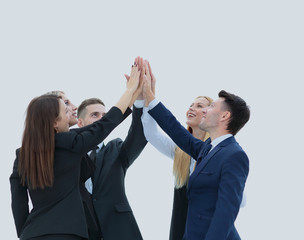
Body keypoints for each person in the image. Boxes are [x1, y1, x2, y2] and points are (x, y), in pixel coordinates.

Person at [9, 64, 141, 240]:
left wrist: (26, 232)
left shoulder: (22, 155)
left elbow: (18, 204)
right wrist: (130, 91)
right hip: (67, 233)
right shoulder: (69, 143)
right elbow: (102, 127)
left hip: (32, 233)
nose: (71, 112)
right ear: (55, 122)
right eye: (65, 110)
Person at [142, 60, 250, 240]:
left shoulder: (234, 155)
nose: (206, 111)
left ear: (224, 116)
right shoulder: (206, 149)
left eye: (211, 106)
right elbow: (176, 130)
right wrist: (150, 97)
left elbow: (226, 214)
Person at [141, 95, 212, 240]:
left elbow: (240, 199)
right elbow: (151, 134)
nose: (191, 108)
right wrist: (145, 101)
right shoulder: (179, 151)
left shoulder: (216, 151)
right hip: (181, 230)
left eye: (199, 105)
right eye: (191, 105)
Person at [76, 95, 147, 240]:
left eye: (105, 115)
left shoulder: (116, 149)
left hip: (119, 229)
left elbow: (139, 135)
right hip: (81, 231)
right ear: (80, 123)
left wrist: (139, 102)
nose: (102, 119)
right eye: (95, 115)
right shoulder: (70, 155)